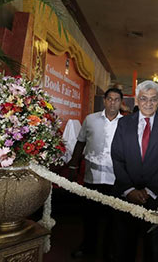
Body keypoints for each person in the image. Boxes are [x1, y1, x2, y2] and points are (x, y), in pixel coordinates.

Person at [111, 80, 158, 262]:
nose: (148, 103)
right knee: (124, 247)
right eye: (144, 99)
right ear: (137, 101)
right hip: (126, 197)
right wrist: (129, 190)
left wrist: (150, 190)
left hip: (155, 197)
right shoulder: (124, 123)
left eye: (153, 99)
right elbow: (117, 157)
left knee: (153, 248)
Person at [68, 88, 123, 260]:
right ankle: (87, 247)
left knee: (113, 219)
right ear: (105, 101)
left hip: (115, 180)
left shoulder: (126, 123)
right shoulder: (90, 119)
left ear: (121, 103)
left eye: (116, 99)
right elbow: (80, 143)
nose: (113, 102)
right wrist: (73, 165)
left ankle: (111, 251)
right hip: (92, 178)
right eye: (110, 99)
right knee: (90, 217)